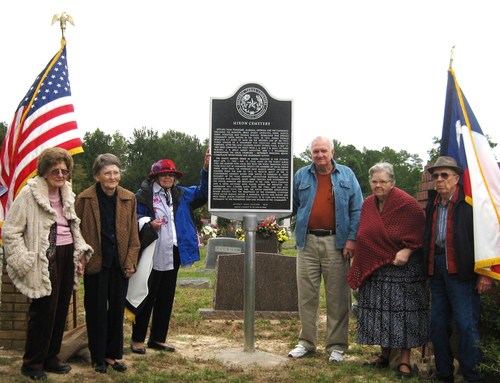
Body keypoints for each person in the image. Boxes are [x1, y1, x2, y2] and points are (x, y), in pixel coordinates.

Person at [2, 147, 93, 381]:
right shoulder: (29, 194)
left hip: (66, 253)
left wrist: (80, 250)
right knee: (43, 311)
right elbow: (11, 230)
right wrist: (23, 258)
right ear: (44, 171)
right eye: (55, 170)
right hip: (43, 257)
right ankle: (32, 363)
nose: (61, 175)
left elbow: (73, 225)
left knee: (61, 308)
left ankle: (51, 357)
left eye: (64, 171)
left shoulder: (67, 193)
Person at [347, 162, 429, 378]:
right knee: (380, 313)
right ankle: (383, 356)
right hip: (377, 270)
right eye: (374, 181)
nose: (378, 185)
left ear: (392, 183)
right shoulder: (367, 205)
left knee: (404, 315)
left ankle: (404, 361)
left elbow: (421, 233)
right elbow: (365, 234)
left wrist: (408, 250)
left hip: (403, 270)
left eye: (383, 181)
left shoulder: (407, 204)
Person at [286, 136, 363, 362]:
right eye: (315, 151)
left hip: (336, 243)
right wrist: (270, 213)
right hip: (306, 242)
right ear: (311, 154)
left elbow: (356, 209)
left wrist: (352, 240)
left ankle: (336, 346)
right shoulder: (301, 175)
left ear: (332, 152)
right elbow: (290, 205)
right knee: (306, 296)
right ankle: (307, 342)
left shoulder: (347, 175)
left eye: (323, 151)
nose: (319, 155)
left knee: (338, 297)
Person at [128, 151, 209, 354]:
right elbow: (135, 216)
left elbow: (204, 192)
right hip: (152, 251)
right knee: (147, 294)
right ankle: (137, 339)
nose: (168, 178)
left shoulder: (181, 193)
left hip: (173, 251)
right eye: (164, 174)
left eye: (171, 175)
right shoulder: (143, 195)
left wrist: (206, 169)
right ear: (155, 176)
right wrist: (148, 223)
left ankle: (158, 338)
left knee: (166, 296)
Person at [423, 156, 493, 383]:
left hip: (462, 273)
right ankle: (444, 374)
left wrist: (485, 272)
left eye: (445, 175)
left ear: (456, 177)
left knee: (466, 325)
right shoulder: (433, 202)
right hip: (437, 271)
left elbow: (486, 237)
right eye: (436, 175)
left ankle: (473, 376)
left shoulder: (470, 202)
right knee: (438, 325)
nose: (439, 179)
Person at [75, 153, 140, 374]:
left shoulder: (129, 197)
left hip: (120, 263)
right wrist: (80, 257)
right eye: (107, 173)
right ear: (97, 176)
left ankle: (113, 355)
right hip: (95, 262)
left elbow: (133, 235)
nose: (112, 177)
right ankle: (98, 357)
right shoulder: (84, 198)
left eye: (115, 172)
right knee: (96, 311)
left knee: (115, 312)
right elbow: (77, 231)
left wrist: (131, 261)